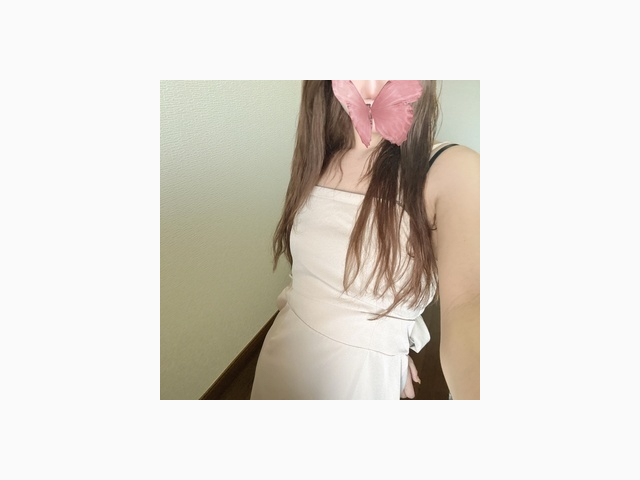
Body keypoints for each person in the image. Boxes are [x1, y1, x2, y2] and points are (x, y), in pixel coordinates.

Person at [250, 80, 479, 400]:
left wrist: (380, 344)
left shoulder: (453, 169)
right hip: (280, 360)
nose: (371, 86)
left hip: (360, 384)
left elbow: (470, 302)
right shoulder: (319, 155)